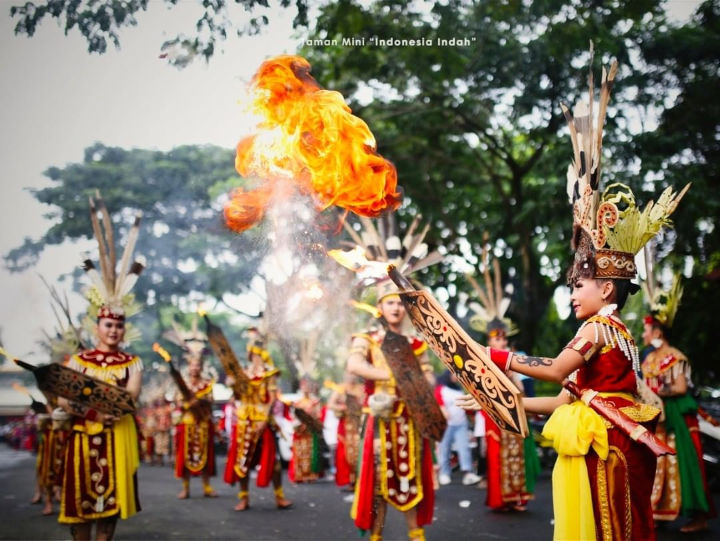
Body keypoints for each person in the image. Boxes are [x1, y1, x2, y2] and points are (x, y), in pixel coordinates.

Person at [458, 57, 690, 540]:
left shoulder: (597, 328)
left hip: (607, 444)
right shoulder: (618, 333)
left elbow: (557, 371)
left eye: (578, 285)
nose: (572, 294)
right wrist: (498, 402)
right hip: (607, 433)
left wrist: (497, 357)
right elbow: (567, 397)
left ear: (606, 287)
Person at [58, 194, 143, 541]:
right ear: (98, 327)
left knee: (111, 505)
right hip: (83, 438)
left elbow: (131, 398)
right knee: (80, 507)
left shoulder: (131, 362)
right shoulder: (79, 361)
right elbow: (65, 400)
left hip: (117, 437)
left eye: (119, 326)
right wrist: (93, 411)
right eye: (108, 325)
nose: (114, 331)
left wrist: (107, 407)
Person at [642, 273, 716, 532]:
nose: (643, 333)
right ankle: (660, 511)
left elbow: (681, 386)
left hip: (677, 415)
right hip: (657, 415)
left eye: (646, 329)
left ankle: (699, 516)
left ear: (657, 331)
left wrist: (659, 390)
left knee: (685, 461)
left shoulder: (675, 357)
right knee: (659, 462)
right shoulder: (648, 359)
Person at [466, 245, 537, 510]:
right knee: (495, 454)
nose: (500, 341)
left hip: (516, 406)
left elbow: (523, 387)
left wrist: (512, 375)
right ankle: (501, 498)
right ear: (489, 340)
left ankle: (518, 497)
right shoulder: (482, 358)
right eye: (495, 338)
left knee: (518, 453)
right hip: (493, 411)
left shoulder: (517, 356)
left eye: (503, 337)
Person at [223, 329, 292, 511]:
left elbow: (272, 398)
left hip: (264, 421)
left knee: (274, 462)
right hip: (244, 421)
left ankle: (279, 497)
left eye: (259, 353)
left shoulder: (269, 374)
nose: (256, 357)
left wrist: (265, 419)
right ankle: (244, 498)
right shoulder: (242, 374)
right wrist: (232, 385)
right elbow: (237, 396)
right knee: (242, 461)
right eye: (253, 353)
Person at [173, 356, 217, 499]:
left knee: (205, 455)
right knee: (185, 457)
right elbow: (178, 402)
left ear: (201, 367)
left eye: (197, 365)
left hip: (203, 424)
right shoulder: (183, 384)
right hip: (187, 423)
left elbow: (211, 401)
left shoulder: (207, 384)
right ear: (188, 367)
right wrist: (188, 405)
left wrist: (201, 400)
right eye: (192, 365)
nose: (195, 368)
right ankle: (185, 488)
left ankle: (207, 487)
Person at [435, 370, 481, 487]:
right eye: (455, 374)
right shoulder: (441, 388)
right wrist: (444, 412)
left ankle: (467, 473)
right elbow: (438, 401)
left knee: (464, 447)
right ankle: (444, 472)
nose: (457, 377)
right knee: (444, 447)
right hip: (447, 424)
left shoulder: (458, 389)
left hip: (460, 422)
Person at [289, 377, 325, 483]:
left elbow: (318, 415)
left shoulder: (315, 401)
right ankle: (299, 475)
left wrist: (311, 419)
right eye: (304, 386)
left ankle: (311, 475)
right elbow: (293, 416)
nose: (306, 388)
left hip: (310, 430)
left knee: (311, 452)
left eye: (307, 386)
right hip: (300, 431)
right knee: (299, 452)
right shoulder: (297, 402)